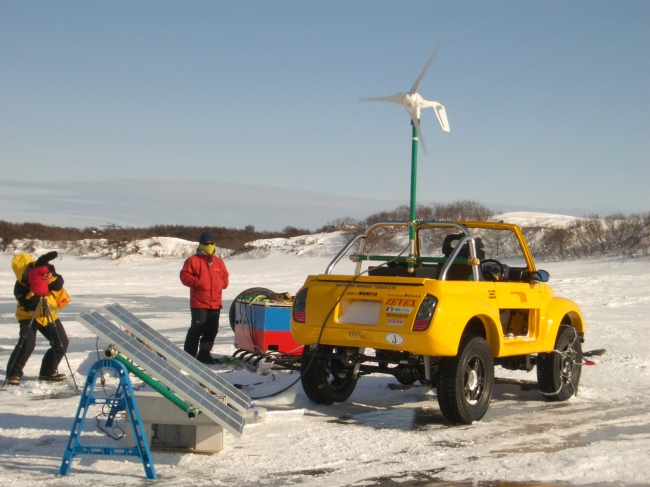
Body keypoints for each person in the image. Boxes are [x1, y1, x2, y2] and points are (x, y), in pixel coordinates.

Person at [6, 251, 70, 386]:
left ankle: (47, 372)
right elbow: (29, 305)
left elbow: (59, 282)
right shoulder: (20, 287)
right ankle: (13, 374)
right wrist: (36, 288)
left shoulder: (42, 271)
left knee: (61, 343)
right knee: (27, 344)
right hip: (28, 317)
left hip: (48, 314)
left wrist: (49, 279)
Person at [179, 231, 229, 364]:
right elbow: (185, 277)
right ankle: (188, 357)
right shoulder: (192, 260)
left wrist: (221, 283)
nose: (209, 245)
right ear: (201, 244)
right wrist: (199, 282)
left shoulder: (218, 262)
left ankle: (204, 355)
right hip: (199, 302)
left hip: (215, 302)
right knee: (197, 329)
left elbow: (225, 277)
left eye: (212, 243)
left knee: (212, 330)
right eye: (206, 243)